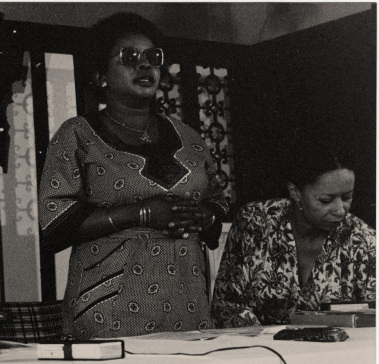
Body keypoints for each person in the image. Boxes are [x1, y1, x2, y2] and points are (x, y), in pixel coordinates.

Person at [38, 13, 228, 339]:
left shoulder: (190, 137)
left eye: (153, 58)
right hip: (110, 306)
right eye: (129, 57)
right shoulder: (77, 136)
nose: (144, 66)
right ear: (100, 76)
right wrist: (141, 213)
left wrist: (203, 215)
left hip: (188, 301)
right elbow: (53, 224)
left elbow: (218, 208)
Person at [212, 137, 376, 327]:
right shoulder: (255, 222)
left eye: (347, 197)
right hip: (258, 352)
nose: (340, 210)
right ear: (295, 192)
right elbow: (227, 306)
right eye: (325, 200)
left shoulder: (364, 240)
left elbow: (371, 321)